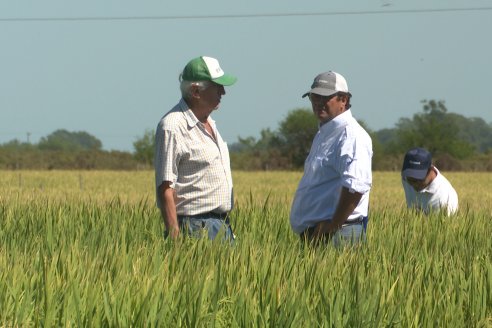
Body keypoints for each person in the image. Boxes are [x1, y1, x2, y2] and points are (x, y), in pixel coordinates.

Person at [154, 56, 236, 241]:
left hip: (220, 224)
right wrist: (175, 239)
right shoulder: (173, 126)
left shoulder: (209, 122)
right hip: (196, 227)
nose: (223, 92)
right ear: (196, 91)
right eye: (217, 87)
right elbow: (166, 188)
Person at [290, 71, 373, 247]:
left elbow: (355, 188)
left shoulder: (351, 136)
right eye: (314, 97)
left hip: (338, 234)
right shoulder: (325, 132)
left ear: (343, 100)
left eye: (325, 98)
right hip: (322, 234)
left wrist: (332, 226)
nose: (318, 103)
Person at [401, 147, 458, 216]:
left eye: (419, 180)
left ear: (431, 170)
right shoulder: (405, 178)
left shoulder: (445, 198)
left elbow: (443, 226)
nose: (414, 184)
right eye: (410, 180)